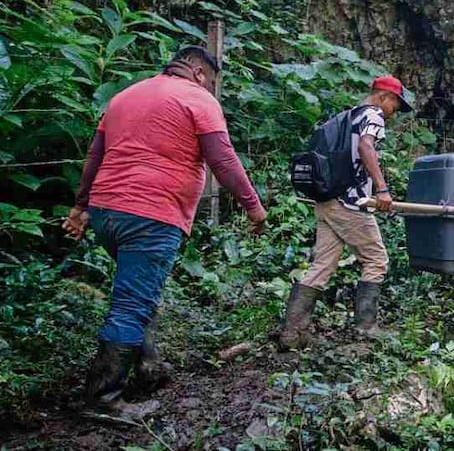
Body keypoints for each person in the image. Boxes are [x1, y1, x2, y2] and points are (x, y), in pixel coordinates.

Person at [63, 45, 267, 409]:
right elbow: (222, 159)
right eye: (212, 83)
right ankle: (103, 398)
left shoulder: (125, 96)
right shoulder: (197, 98)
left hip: (107, 212)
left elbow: (95, 156)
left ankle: (149, 366)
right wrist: (253, 207)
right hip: (151, 215)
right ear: (201, 74)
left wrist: (80, 207)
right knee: (131, 304)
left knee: (138, 293)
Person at [278, 75, 414, 348]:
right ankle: (366, 328)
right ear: (383, 97)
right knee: (376, 259)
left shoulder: (347, 117)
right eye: (395, 105)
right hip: (350, 202)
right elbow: (366, 146)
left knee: (322, 265)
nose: (394, 112)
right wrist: (382, 189)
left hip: (327, 199)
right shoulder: (373, 115)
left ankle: (292, 333)